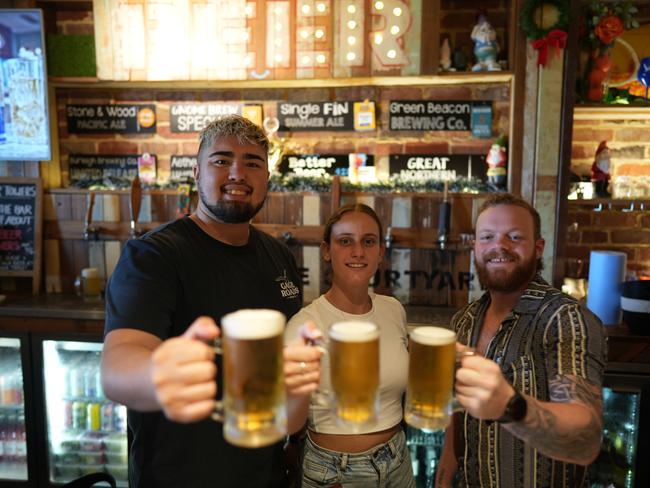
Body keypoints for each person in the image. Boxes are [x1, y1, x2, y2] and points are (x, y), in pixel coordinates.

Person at [101, 114, 322, 488]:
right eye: (221, 161)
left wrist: (296, 430)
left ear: (267, 178)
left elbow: (285, 390)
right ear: (196, 172)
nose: (238, 173)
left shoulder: (279, 257)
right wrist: (155, 375)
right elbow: (119, 363)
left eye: (253, 163)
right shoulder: (154, 256)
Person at [436, 193, 607, 488]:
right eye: (487, 237)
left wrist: (511, 406)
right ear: (474, 246)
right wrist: (443, 478)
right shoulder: (464, 320)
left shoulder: (565, 318)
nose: (499, 246)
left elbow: (586, 439)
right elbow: (457, 419)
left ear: (538, 248)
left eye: (514, 237)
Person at [286, 203, 415, 488]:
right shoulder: (305, 324)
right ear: (327, 250)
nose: (358, 252)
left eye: (368, 242)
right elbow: (290, 424)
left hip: (398, 461)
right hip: (335, 470)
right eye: (346, 242)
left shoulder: (393, 310)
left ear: (380, 252)